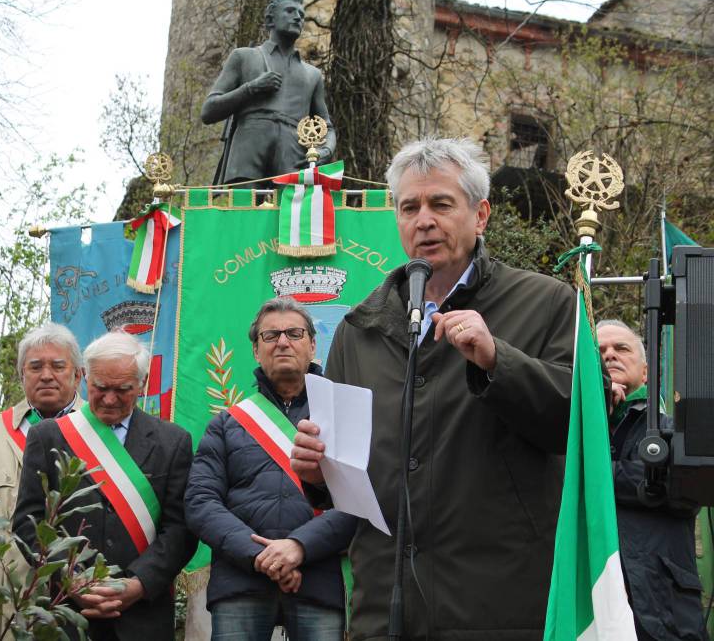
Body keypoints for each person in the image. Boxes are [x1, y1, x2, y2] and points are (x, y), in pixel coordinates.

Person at [291, 137, 576, 640]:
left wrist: (497, 360)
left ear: (481, 214)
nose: (424, 219)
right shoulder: (360, 329)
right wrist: (316, 469)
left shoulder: (548, 302)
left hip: (498, 603)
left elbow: (576, 425)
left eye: (441, 203)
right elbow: (347, 478)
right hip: (386, 603)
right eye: (410, 207)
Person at [186, 297, 356, 640]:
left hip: (318, 576)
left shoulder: (342, 415)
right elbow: (200, 502)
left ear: (312, 344)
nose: (282, 342)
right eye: (270, 335)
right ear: (255, 350)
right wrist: (261, 556)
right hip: (240, 580)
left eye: (294, 333)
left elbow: (357, 501)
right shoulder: (225, 424)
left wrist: (298, 547)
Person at [12, 331, 196, 640]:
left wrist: (138, 584)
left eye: (122, 389)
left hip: (143, 616)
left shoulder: (173, 442)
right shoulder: (48, 437)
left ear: (142, 382)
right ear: (85, 378)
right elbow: (28, 524)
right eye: (100, 387)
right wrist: (71, 581)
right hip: (66, 613)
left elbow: (181, 528)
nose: (109, 399)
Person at [0, 323, 85, 640]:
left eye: (58, 366)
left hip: (73, 594)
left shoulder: (99, 434)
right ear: (21, 375)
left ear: (78, 375)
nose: (46, 375)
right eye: (35, 366)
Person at [597, 319, 707, 641]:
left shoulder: (673, 429)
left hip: (663, 610)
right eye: (599, 351)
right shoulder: (571, 428)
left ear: (646, 372)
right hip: (592, 603)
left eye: (621, 348)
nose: (609, 356)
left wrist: (594, 474)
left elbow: (682, 487)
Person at [201, 0, 336, 184]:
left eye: (301, 14)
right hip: (247, 152)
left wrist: (326, 150)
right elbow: (208, 111)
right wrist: (251, 88)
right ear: (270, 20)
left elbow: (326, 126)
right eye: (290, 11)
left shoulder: (312, 75)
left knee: (290, 213)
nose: (298, 17)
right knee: (243, 212)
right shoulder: (244, 57)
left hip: (293, 155)